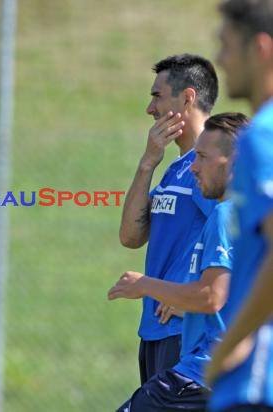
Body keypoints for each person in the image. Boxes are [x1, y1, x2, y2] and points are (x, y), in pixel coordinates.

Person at [109, 112, 248, 411]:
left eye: (202, 157)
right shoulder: (254, 218)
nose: (194, 167)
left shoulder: (225, 215)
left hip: (202, 376)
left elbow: (211, 296)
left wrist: (146, 285)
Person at [119, 53, 219, 384]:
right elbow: (131, 237)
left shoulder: (212, 170)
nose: (150, 109)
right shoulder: (177, 168)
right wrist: (148, 162)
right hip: (155, 331)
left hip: (186, 333)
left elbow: (246, 241)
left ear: (187, 98)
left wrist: (191, 299)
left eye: (157, 96)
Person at [205, 1, 273, 411]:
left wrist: (229, 346)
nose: (220, 59)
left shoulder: (262, 137)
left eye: (227, 45)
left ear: (261, 49)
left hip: (256, 382)